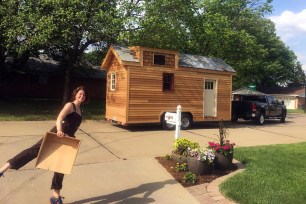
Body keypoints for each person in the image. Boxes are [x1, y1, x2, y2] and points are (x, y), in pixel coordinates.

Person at [0, 86, 88, 204]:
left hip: (68, 139)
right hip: (57, 133)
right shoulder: (70, 105)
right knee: (34, 151)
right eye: (80, 94)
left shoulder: (81, 110)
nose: (82, 96)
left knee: (62, 165)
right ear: (75, 94)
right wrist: (59, 130)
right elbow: (60, 117)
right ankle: (3, 169)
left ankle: (55, 196)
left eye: (84, 95)